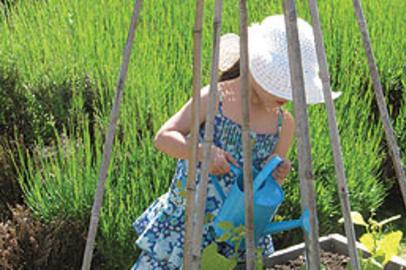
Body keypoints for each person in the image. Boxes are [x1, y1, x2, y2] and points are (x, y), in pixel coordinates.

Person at [130, 14, 341, 270]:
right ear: (257, 69)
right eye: (282, 85)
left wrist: (278, 173)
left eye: (294, 88)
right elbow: (164, 138)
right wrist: (200, 152)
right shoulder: (214, 98)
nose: (288, 96)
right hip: (188, 223)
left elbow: (266, 186)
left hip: (237, 233)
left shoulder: (283, 124)